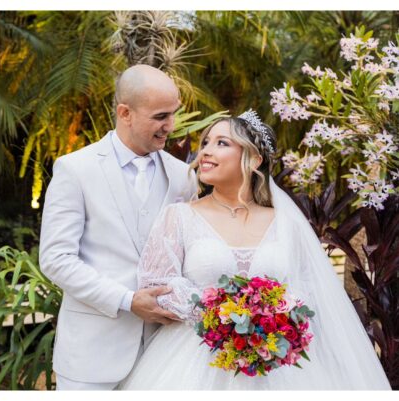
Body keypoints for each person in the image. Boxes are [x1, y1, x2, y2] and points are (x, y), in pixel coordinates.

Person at [119, 110, 392, 390]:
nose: (206, 152)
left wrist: (273, 315)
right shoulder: (178, 216)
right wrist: (223, 314)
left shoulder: (286, 223)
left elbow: (308, 287)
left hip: (278, 364)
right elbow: (157, 284)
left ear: (254, 159)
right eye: (206, 143)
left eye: (221, 143)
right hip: (191, 360)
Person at [39, 64, 198, 390]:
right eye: (160, 116)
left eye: (173, 114)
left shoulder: (182, 176)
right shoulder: (75, 169)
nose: (170, 126)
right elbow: (56, 259)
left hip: (165, 354)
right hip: (90, 358)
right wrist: (127, 300)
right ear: (125, 113)